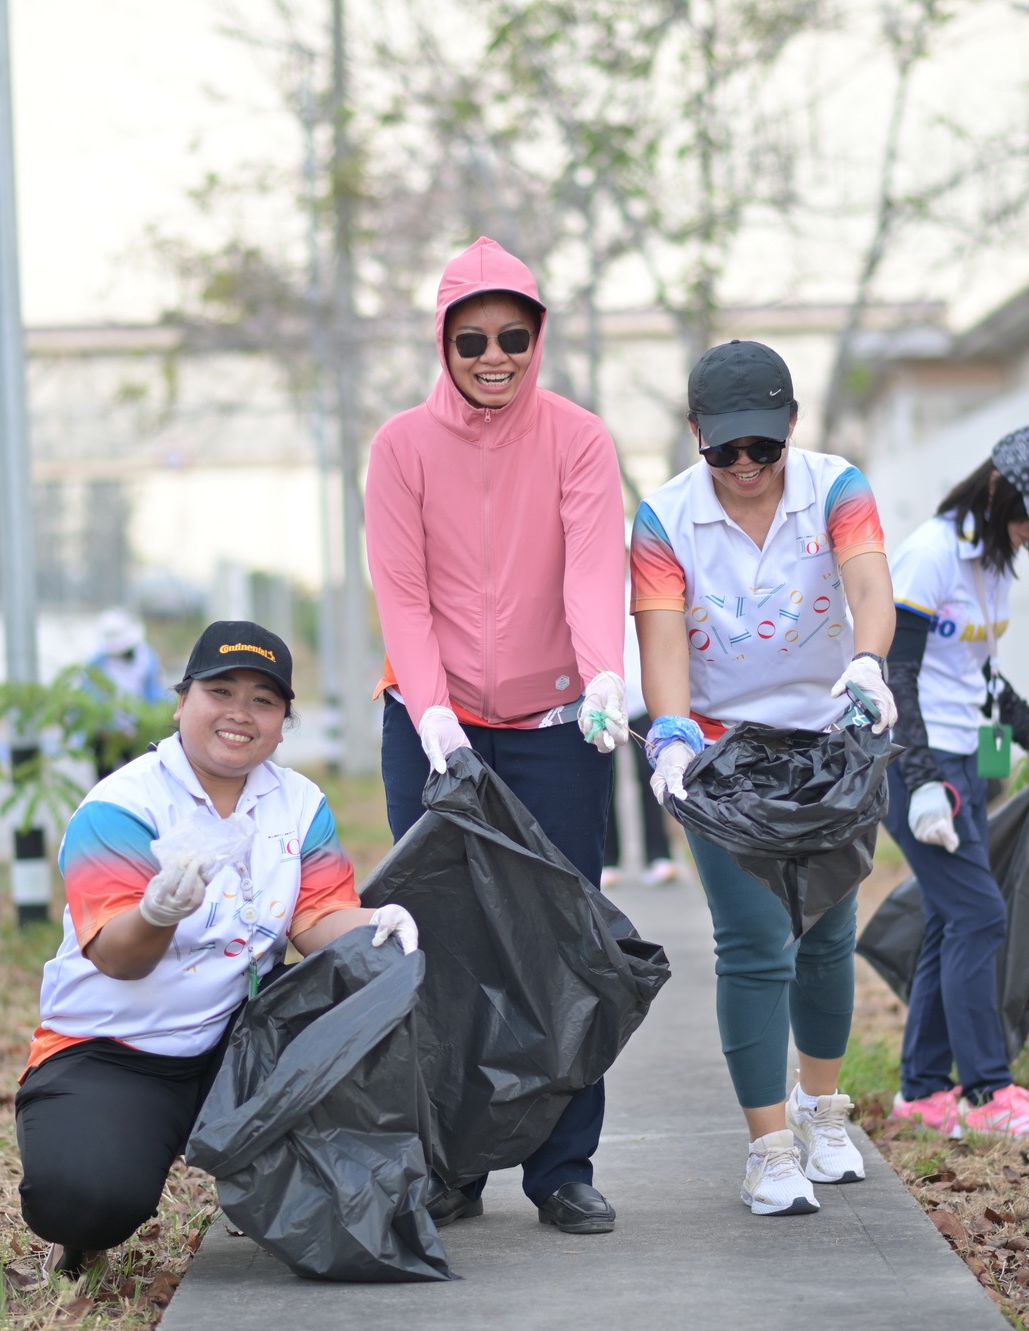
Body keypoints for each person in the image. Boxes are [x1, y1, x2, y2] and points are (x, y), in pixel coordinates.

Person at [16, 620, 418, 1281]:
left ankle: (264, 1172)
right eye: (221, 690)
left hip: (240, 1043)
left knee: (369, 1006)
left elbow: (316, 917)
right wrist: (157, 913)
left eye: (264, 699)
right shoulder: (120, 806)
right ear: (181, 701)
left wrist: (380, 922)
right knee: (85, 1199)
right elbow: (120, 957)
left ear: (285, 721)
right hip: (116, 1050)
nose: (240, 713)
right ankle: (103, 1174)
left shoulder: (298, 803)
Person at [364, 236, 629, 1236]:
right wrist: (434, 716)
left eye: (512, 337)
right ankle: (453, 1162)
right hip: (431, 723)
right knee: (440, 942)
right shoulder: (399, 447)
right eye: (471, 338)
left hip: (553, 722)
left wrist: (603, 671)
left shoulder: (576, 437)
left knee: (566, 939)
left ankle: (562, 1165)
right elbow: (404, 590)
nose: (492, 357)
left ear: (536, 338)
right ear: (443, 341)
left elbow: (589, 567)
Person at [636, 339, 901, 1217]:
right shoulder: (665, 519)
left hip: (827, 734)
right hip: (722, 751)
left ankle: (825, 1113)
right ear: (695, 435)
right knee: (755, 943)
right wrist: (670, 733)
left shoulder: (836, 488)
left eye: (763, 447)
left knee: (826, 937)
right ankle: (769, 1147)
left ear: (793, 427)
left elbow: (870, 585)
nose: (745, 467)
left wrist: (869, 663)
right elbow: (664, 637)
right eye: (724, 451)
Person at [882, 425, 1029, 1143]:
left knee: (950, 919)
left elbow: (980, 674)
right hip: (918, 763)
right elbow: (893, 672)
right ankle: (987, 1091)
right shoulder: (931, 555)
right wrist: (920, 782)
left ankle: (922, 1091)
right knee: (981, 917)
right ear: (999, 486)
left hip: (966, 759)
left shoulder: (996, 558)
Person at [600, 602, 679, 888]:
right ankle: (608, 859)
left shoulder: (640, 589)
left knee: (652, 775)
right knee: (604, 777)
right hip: (604, 698)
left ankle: (659, 855)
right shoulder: (594, 589)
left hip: (644, 696)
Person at [86, 608, 167, 778]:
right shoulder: (97, 663)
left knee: (139, 775)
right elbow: (90, 699)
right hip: (106, 734)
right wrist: (102, 727)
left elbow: (154, 694)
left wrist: (144, 723)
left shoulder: (147, 658)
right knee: (104, 776)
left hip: (137, 731)